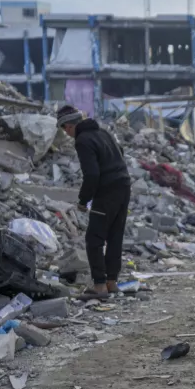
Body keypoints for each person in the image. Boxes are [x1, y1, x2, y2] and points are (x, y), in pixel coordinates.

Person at [56, 106, 131, 298]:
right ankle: (111, 282)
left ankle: (99, 286)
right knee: (115, 236)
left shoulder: (83, 140)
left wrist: (83, 200)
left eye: (65, 129)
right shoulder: (103, 133)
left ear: (69, 126)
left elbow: (92, 174)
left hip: (107, 192)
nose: (67, 134)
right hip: (124, 185)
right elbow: (121, 152)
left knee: (94, 239)